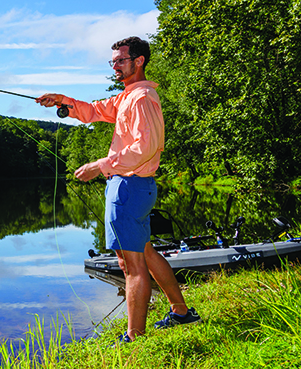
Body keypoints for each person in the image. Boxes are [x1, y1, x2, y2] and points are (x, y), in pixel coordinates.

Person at [35, 36, 201, 342]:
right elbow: (94, 111)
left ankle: (134, 338)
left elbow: (145, 147)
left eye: (121, 60)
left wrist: (100, 165)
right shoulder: (127, 97)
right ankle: (181, 312)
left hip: (128, 186)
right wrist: (62, 101)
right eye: (113, 62)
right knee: (145, 252)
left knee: (130, 264)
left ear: (139, 61)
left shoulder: (141, 98)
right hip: (133, 186)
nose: (115, 67)